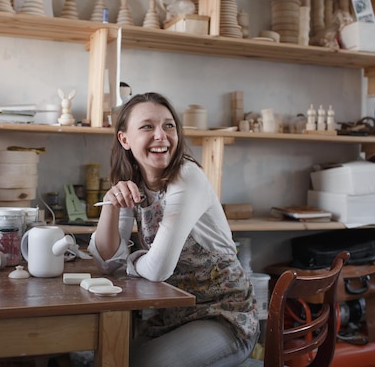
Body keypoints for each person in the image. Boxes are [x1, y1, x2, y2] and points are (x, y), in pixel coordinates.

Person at [88, 92, 259, 367]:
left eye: (169, 126)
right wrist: (111, 202)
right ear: (125, 139)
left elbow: (158, 269)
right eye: (147, 127)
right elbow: (107, 263)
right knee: (107, 358)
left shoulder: (186, 176)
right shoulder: (132, 180)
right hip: (174, 316)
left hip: (225, 317)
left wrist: (130, 262)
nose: (161, 136)